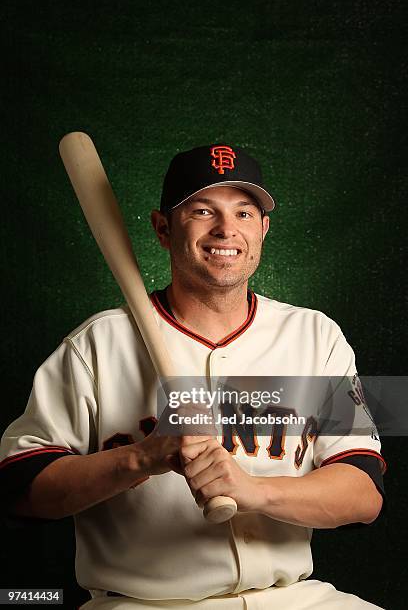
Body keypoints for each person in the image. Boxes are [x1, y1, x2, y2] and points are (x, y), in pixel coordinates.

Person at [0, 144, 386, 609]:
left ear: (263, 229)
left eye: (244, 212)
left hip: (295, 598)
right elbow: (19, 489)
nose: (227, 229)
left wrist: (254, 490)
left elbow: (363, 491)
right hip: (145, 603)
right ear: (163, 228)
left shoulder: (316, 335)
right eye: (203, 210)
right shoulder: (95, 345)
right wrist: (143, 458)